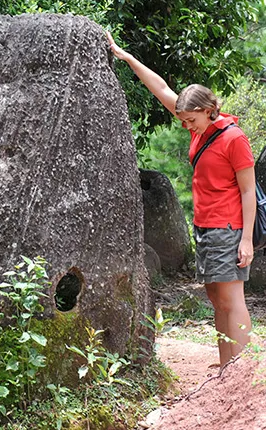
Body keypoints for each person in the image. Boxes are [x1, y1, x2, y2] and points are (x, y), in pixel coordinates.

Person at [106, 31, 255, 367]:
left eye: (190, 119)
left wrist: (246, 240)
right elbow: (160, 89)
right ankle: (225, 363)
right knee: (216, 298)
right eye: (183, 120)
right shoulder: (199, 128)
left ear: (208, 110)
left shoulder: (234, 139)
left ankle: (243, 370)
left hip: (228, 226)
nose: (186, 124)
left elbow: (248, 191)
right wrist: (126, 57)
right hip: (205, 225)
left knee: (232, 298)